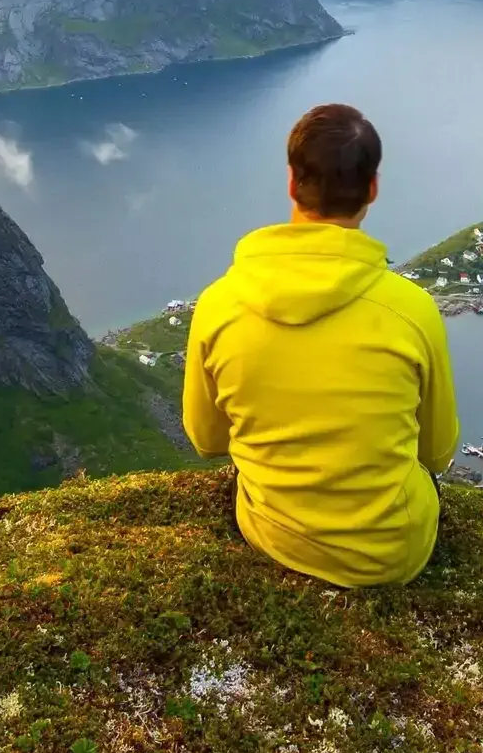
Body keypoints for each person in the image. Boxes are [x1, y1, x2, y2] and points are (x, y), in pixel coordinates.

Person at [180, 102, 460, 586]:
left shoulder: (218, 303)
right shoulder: (411, 310)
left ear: (292, 182)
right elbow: (436, 454)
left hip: (272, 535)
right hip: (391, 554)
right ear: (372, 188)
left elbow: (207, 440)